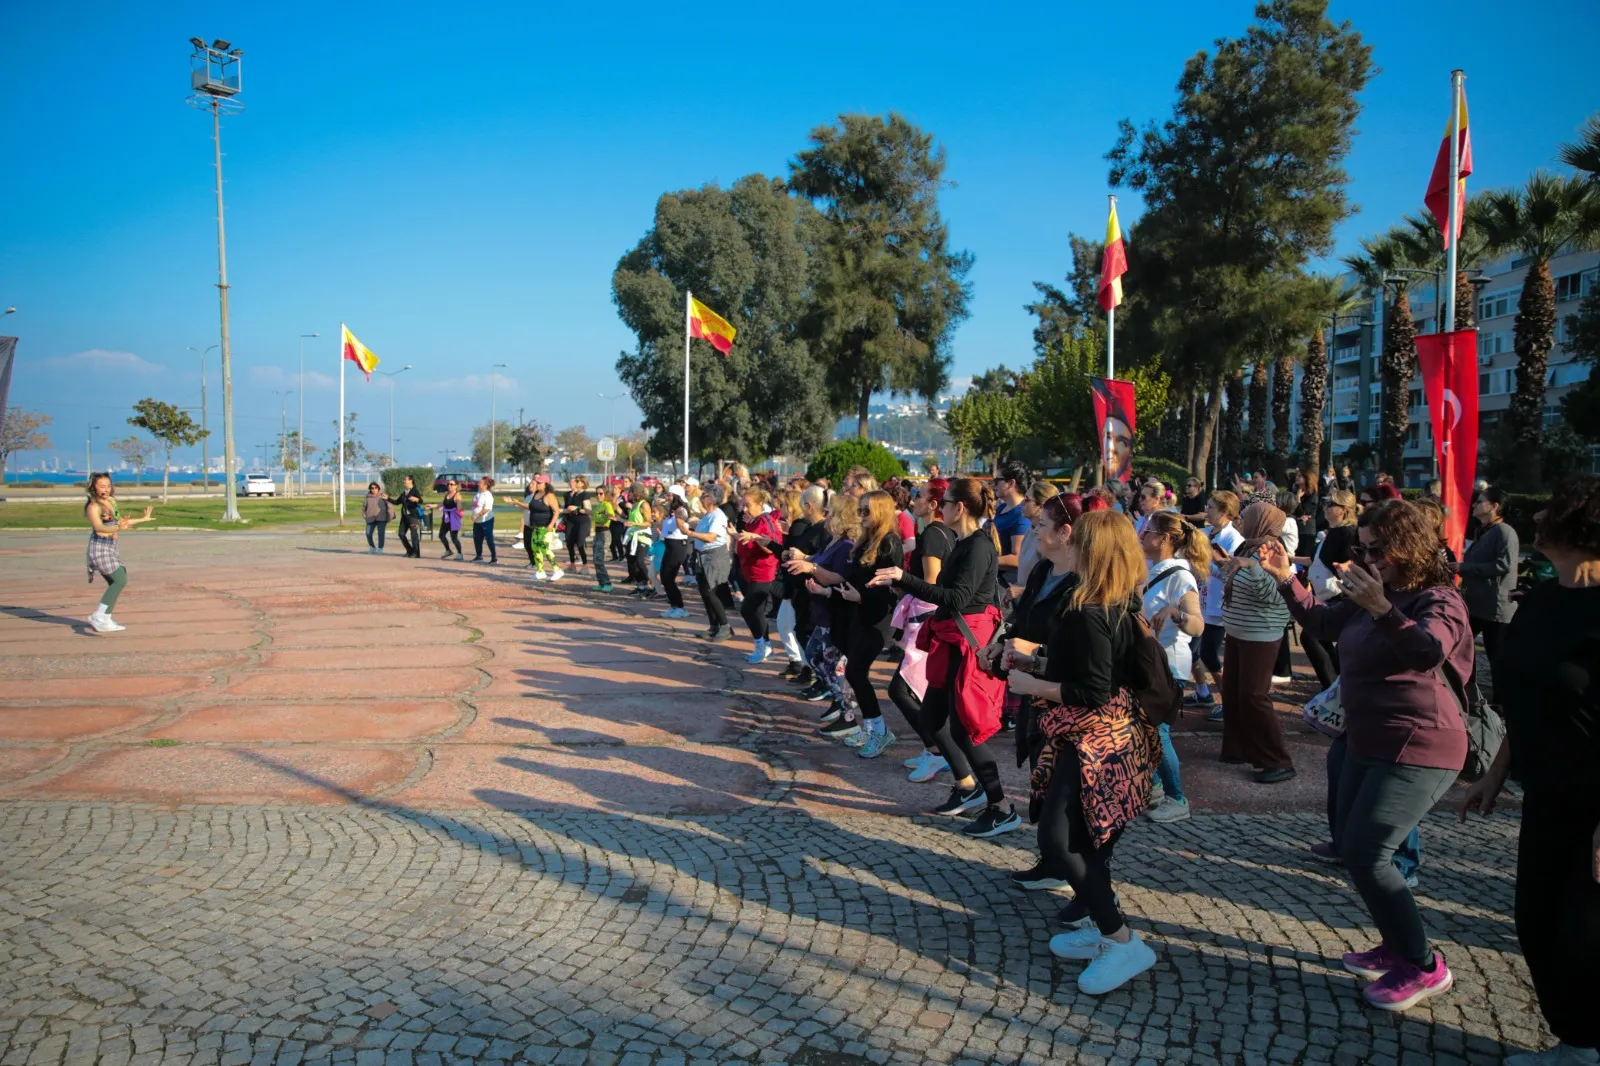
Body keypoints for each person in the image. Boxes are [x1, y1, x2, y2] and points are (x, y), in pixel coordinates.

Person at [1259, 499, 1472, 1012]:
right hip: (1364, 737)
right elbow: (1325, 625)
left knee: (1368, 854)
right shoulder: (1379, 590)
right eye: (1364, 548)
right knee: (1351, 848)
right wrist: (1286, 577)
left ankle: (1424, 965)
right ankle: (1397, 944)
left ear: (1409, 548)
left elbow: (1425, 651)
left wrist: (1381, 607)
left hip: (1420, 743)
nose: (1369, 557)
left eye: (1379, 549)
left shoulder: (1438, 598)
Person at [1460, 476, 1600, 1066]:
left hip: (1594, 803)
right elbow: (1530, 696)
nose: (1539, 512)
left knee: (1582, 937)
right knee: (1536, 921)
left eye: (1554, 507)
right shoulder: (1543, 597)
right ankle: (1576, 1041)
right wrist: (1497, 769)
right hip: (1546, 792)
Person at [1005, 510, 1161, 995]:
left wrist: (1031, 682)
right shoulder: (1105, 600)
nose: (1065, 544)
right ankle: (1101, 920)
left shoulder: (1091, 608)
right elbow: (1090, 668)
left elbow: (1093, 688)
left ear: (1092, 550)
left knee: (1060, 840)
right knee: (1085, 841)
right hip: (1098, 733)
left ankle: (1121, 940)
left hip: (1097, 736)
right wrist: (1031, 660)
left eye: (1078, 541)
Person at [868, 478, 1022, 839]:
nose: (940, 506)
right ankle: (968, 785)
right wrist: (903, 580)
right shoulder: (965, 542)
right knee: (934, 716)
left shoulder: (979, 546)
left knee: (966, 727)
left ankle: (1000, 806)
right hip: (951, 641)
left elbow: (954, 597)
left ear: (959, 507)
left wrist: (903, 577)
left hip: (966, 645)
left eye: (946, 502)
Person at [1138, 512, 1209, 823]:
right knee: (1142, 729)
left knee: (1157, 731)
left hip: (1167, 666)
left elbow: (1197, 625)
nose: (1141, 535)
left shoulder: (1180, 575)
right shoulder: (1154, 570)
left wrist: (1175, 612)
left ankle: (1176, 797)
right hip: (1150, 662)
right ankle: (1154, 787)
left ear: (1164, 539)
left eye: (1148, 531)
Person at [1220, 502, 1295, 783]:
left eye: (1248, 517)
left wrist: (1251, 566)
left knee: (1254, 696)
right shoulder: (1248, 547)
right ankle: (1239, 749)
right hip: (1239, 632)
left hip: (1260, 635)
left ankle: (1277, 760)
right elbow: (1236, 580)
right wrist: (1219, 565)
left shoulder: (1271, 550)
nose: (1242, 521)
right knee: (1234, 694)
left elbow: (1271, 593)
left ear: (1261, 522)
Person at [890, 478, 957, 782]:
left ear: (933, 505)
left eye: (919, 496)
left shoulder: (932, 534)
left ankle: (937, 751)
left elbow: (931, 584)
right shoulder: (941, 532)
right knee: (919, 690)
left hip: (926, 619)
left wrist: (901, 579)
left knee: (902, 688)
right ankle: (933, 749)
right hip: (930, 617)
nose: (913, 500)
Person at [786, 498, 861, 726]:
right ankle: (839, 701)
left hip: (835, 614)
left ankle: (846, 713)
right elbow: (819, 562)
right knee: (813, 655)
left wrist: (812, 568)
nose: (827, 517)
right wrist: (803, 560)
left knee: (831, 664)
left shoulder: (847, 545)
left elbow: (839, 577)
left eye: (831, 514)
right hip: (822, 611)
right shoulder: (832, 542)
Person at [1457, 486, 1519, 699]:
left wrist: (1464, 568)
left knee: (1498, 658)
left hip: (1496, 608)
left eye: (1480, 501)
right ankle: (1469, 693)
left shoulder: (1504, 532)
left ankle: (1502, 705)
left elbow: (1503, 565)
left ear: (1494, 506)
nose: (1475, 505)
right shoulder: (1484, 531)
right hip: (1477, 604)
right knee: (1461, 646)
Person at [1295, 489, 1360, 690]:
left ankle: (1332, 685)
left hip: (1339, 594)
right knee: (1315, 635)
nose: (1326, 507)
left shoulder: (1347, 533)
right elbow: (1314, 560)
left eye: (1331, 504)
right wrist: (1286, 558)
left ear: (1343, 510)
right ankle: (1335, 683)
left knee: (1312, 635)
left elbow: (1352, 561)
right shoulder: (1332, 533)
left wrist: (1346, 569)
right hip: (1327, 594)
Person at [1189, 491, 1242, 720]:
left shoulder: (1233, 539)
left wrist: (1207, 564)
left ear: (1224, 512)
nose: (1206, 510)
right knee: (1192, 650)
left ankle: (1229, 702)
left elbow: (1230, 572)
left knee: (1209, 653)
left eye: (1211, 507)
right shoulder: (1205, 532)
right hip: (1202, 600)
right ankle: (1203, 692)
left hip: (1218, 605)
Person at [83, 474, 153, 632]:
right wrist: (118, 528)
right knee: (119, 579)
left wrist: (143, 519)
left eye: (108, 485)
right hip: (99, 548)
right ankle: (99, 616)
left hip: (111, 547)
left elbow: (120, 523)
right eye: (102, 486)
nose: (106, 489)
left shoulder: (112, 502)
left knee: (116, 581)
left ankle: (105, 618)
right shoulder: (93, 507)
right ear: (93, 487)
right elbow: (100, 529)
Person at [733, 486, 785, 664]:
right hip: (751, 571)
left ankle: (763, 645)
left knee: (748, 609)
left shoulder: (766, 521)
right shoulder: (753, 520)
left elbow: (773, 546)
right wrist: (737, 535)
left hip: (764, 572)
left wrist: (755, 537)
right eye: (743, 505)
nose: (744, 509)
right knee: (757, 611)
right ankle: (764, 645)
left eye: (748, 505)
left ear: (760, 504)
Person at [684, 483, 735, 641]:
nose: (701, 497)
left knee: (710, 592)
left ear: (712, 499)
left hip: (714, 557)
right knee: (705, 593)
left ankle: (725, 626)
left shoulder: (718, 515)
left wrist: (689, 532)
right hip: (703, 556)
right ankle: (714, 626)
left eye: (704, 495)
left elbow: (711, 537)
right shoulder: (708, 515)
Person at [772, 489, 813, 677]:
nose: (780, 508)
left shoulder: (798, 525)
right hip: (795, 583)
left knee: (795, 627)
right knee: (787, 625)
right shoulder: (798, 525)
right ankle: (799, 662)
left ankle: (805, 666)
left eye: (783, 504)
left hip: (796, 584)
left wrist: (770, 544)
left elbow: (788, 553)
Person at [501, 480, 563, 581]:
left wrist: (551, 524)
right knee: (535, 549)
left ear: (545, 484)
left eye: (539, 483)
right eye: (536, 483)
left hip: (545, 527)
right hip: (535, 527)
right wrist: (515, 502)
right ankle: (540, 571)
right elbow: (530, 506)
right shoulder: (536, 495)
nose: (537, 485)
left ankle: (557, 570)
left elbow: (556, 511)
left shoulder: (549, 495)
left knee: (544, 548)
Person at [993, 461, 1032, 588]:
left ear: (1011, 483)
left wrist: (982, 560)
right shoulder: (1002, 508)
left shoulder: (1021, 515)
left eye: (998, 480)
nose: (994, 485)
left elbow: (1017, 558)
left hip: (1006, 584)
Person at [657, 486, 693, 618]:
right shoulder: (671, 510)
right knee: (664, 576)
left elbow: (684, 517)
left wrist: (678, 517)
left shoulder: (681, 510)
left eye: (670, 495)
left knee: (668, 577)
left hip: (678, 546)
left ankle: (681, 607)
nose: (667, 497)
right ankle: (674, 606)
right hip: (669, 545)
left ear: (677, 496)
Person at [622, 490, 655, 594]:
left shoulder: (644, 504)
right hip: (633, 536)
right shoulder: (633, 505)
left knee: (640, 561)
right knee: (632, 563)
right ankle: (641, 586)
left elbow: (649, 523)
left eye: (630, 493)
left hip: (642, 536)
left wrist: (634, 523)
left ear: (637, 492)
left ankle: (652, 585)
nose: (628, 495)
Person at [386, 475, 425, 559]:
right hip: (404, 517)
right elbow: (397, 502)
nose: (404, 481)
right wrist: (387, 498)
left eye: (405, 480)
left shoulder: (415, 491)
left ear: (411, 481)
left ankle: (416, 553)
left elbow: (421, 501)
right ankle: (410, 550)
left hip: (413, 516)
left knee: (414, 535)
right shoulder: (404, 492)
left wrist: (416, 499)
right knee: (401, 534)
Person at [562, 475, 594, 572]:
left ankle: (585, 566)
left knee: (580, 543)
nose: (575, 482)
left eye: (578, 481)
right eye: (575, 480)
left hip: (582, 522)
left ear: (583, 483)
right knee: (569, 542)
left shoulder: (585, 494)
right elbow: (568, 509)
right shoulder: (574, 494)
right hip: (572, 521)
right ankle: (572, 565)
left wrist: (577, 508)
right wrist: (556, 510)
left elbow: (589, 510)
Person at [588, 486, 616, 592]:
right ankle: (601, 582)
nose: (598, 495)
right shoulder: (599, 506)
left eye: (601, 493)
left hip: (604, 533)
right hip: (597, 533)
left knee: (599, 560)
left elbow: (611, 515)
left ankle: (607, 583)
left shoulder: (606, 504)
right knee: (595, 560)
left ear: (605, 494)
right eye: (597, 493)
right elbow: (596, 516)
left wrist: (609, 517)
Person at [471, 477, 498, 563]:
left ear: (486, 485)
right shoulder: (478, 493)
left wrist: (477, 515)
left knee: (489, 539)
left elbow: (487, 509)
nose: (478, 484)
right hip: (477, 521)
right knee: (477, 539)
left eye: (480, 483)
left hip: (486, 521)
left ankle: (494, 558)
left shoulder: (488, 495)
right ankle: (479, 557)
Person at [437, 479, 465, 561]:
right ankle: (448, 550)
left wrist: (460, 507)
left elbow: (459, 504)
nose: (449, 485)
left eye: (451, 484)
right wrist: (431, 505)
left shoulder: (457, 495)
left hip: (453, 518)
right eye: (448, 484)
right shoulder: (447, 494)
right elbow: (443, 504)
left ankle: (460, 554)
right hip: (446, 518)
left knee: (454, 538)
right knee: (441, 535)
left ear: (456, 486)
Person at [362, 481, 392, 554]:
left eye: (376, 488)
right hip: (370, 518)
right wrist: (364, 515)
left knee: (381, 533)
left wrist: (389, 517)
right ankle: (372, 547)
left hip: (381, 518)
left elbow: (390, 506)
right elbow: (364, 508)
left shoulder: (383, 496)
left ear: (378, 488)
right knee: (368, 533)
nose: (374, 489)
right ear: (370, 489)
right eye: (372, 488)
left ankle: (380, 548)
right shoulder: (368, 497)